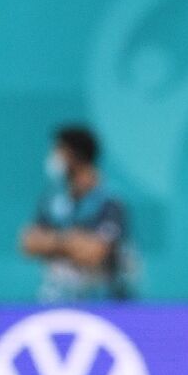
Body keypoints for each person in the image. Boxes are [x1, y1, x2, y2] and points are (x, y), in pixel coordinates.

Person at [20, 125, 135, 302]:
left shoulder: (110, 200)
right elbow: (28, 243)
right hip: (57, 298)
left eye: (58, 150)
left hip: (103, 302)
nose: (53, 157)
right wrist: (70, 241)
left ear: (75, 155)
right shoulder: (52, 197)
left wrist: (51, 242)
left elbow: (95, 253)